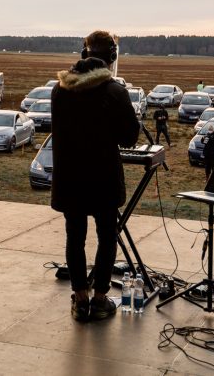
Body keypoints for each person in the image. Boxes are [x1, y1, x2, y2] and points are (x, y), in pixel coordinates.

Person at [51, 30, 139, 322]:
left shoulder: (59, 89)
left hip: (70, 179)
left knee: (74, 239)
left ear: (84, 53)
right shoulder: (114, 92)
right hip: (102, 179)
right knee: (106, 238)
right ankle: (100, 300)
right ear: (111, 57)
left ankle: (80, 300)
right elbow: (129, 137)